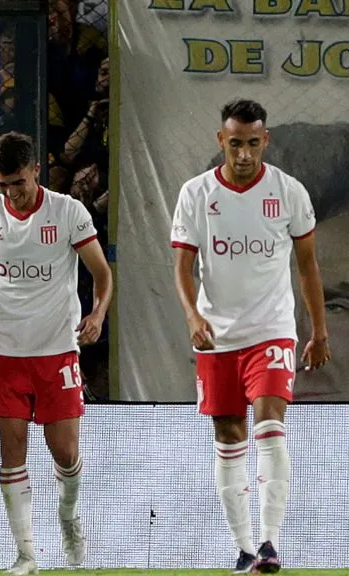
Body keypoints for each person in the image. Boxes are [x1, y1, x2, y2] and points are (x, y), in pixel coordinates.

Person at [0, 132, 113, 575]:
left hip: (57, 349)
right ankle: (26, 554)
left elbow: (101, 272)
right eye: (1, 185)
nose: (11, 193)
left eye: (18, 183)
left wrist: (97, 313)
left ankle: (69, 518)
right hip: (5, 351)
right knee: (11, 450)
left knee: (64, 453)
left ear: (36, 170)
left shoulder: (67, 212)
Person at [170, 99, 331, 574]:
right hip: (218, 336)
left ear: (266, 141)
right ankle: (243, 548)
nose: (244, 154)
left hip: (271, 330)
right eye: (235, 143)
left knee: (269, 423)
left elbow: (307, 266)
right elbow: (182, 267)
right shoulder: (196, 194)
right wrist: (193, 317)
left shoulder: (288, 191)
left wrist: (318, 330)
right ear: (221, 140)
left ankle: (269, 543)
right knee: (228, 434)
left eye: (253, 143)